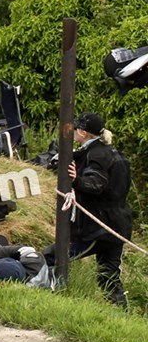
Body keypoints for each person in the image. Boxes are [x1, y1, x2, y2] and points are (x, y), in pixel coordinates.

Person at [43, 112, 132, 308]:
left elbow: (96, 183)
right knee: (109, 278)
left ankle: (46, 298)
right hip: (118, 226)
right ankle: (121, 316)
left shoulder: (97, 154)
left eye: (76, 129)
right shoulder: (111, 152)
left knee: (51, 257)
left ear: (83, 132)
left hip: (98, 228)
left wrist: (77, 180)